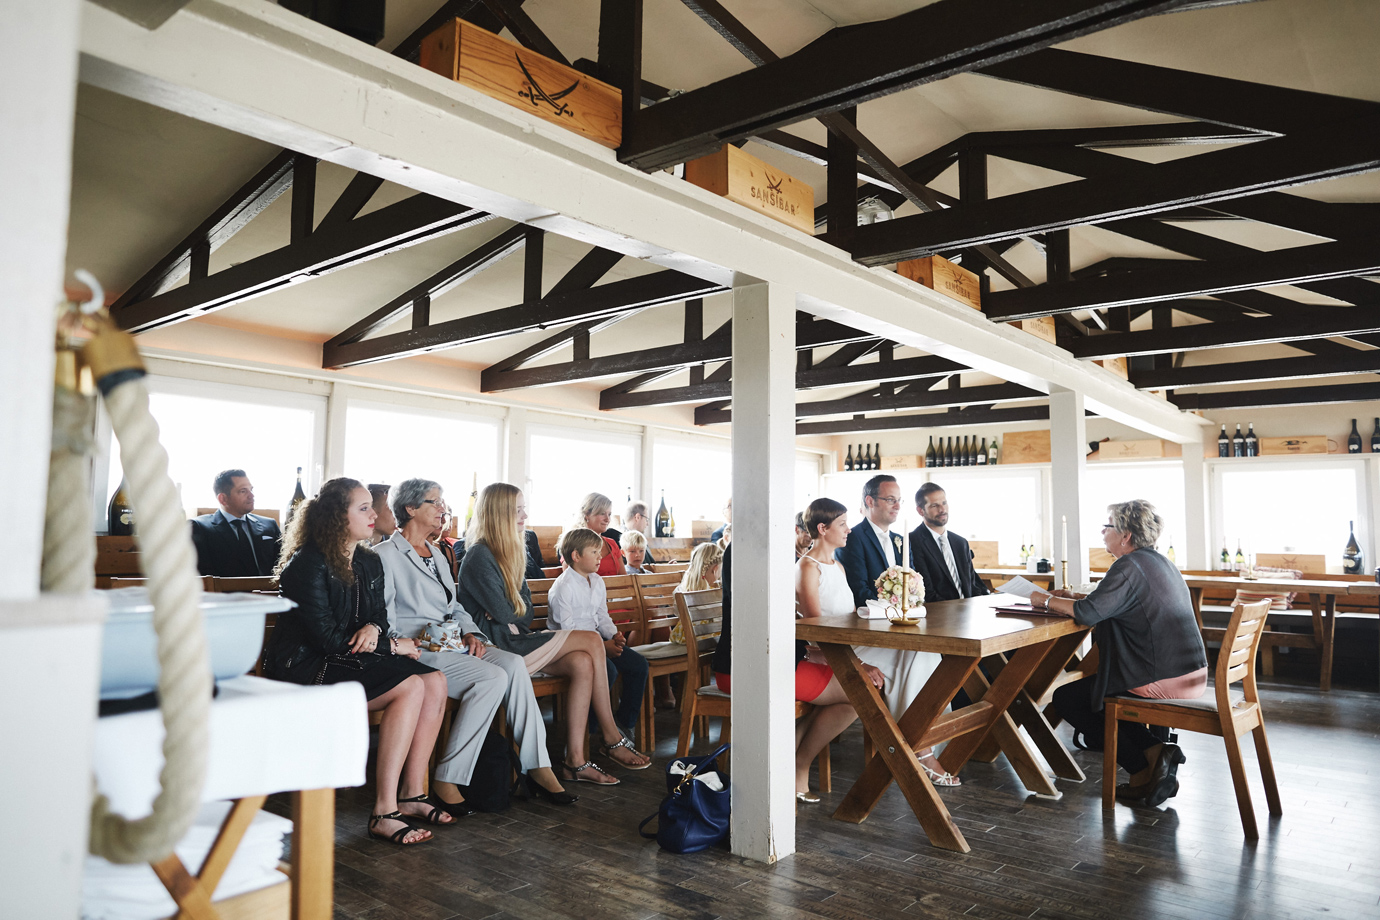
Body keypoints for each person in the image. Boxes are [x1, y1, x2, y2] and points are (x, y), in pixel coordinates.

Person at [262, 477, 452, 846]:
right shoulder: (307, 564)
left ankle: (412, 795)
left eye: (372, 506)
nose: (375, 514)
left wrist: (374, 628)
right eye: (363, 508)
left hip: (350, 659)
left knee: (435, 681)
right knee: (411, 686)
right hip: (308, 668)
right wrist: (392, 647)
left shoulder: (367, 559)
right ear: (337, 515)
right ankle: (384, 811)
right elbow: (327, 641)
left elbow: (380, 617)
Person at [377, 478, 576, 809]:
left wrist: (472, 634)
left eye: (443, 503)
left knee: (511, 665)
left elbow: (455, 607)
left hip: (451, 643)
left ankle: (537, 764)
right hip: (418, 651)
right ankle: (448, 776)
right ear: (410, 509)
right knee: (491, 677)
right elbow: (384, 618)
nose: (443, 510)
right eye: (435, 503)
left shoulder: (438, 554)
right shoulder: (385, 555)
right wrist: (421, 639)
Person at [458, 483, 651, 785]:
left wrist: (507, 607)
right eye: (518, 510)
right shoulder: (479, 556)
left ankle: (575, 761)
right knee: (588, 639)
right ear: (499, 514)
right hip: (498, 648)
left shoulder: (512, 552)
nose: (524, 515)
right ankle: (613, 737)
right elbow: (511, 613)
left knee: (583, 663)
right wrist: (508, 608)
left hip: (517, 639)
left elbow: (522, 614)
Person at [1031, 500, 1207, 809]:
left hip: (1161, 676)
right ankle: (1154, 756)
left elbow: (1088, 613)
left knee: (1071, 698)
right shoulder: (1156, 562)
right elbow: (1106, 602)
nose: (1102, 531)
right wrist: (1073, 597)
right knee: (1093, 691)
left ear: (1125, 536)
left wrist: (1043, 601)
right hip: (1189, 670)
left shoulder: (1127, 565)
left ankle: (1144, 765)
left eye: (1108, 526)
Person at [714, 538, 884, 803]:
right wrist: (809, 653)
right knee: (859, 692)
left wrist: (814, 653)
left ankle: (785, 759)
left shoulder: (766, 550)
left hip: (777, 661)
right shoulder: (745, 550)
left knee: (861, 688)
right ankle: (798, 765)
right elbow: (761, 628)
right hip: (745, 670)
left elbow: (786, 625)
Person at [800, 498, 955, 786]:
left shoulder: (837, 566)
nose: (849, 530)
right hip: (833, 651)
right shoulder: (808, 568)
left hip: (851, 642)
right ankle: (918, 747)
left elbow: (849, 616)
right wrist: (858, 663)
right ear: (822, 528)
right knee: (909, 658)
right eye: (843, 524)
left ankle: (920, 735)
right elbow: (815, 630)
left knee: (921, 651)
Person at [548, 528, 648, 743]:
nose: (600, 556)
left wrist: (615, 636)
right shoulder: (563, 587)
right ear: (576, 556)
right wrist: (604, 648)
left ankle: (623, 723)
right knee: (608, 671)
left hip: (596, 641)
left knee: (638, 665)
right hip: (570, 646)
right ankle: (589, 730)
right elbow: (568, 631)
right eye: (594, 552)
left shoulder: (597, 581)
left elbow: (602, 616)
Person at [190, 469, 282, 577]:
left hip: (269, 592)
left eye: (251, 489)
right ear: (223, 499)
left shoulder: (269, 525)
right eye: (243, 491)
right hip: (225, 592)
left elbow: (282, 566)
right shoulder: (199, 528)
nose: (251, 496)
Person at [909, 483, 989, 603]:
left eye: (944, 503)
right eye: (934, 505)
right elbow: (927, 593)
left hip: (968, 612)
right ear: (920, 511)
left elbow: (972, 586)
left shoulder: (960, 543)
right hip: (939, 615)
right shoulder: (913, 542)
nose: (942, 510)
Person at [836, 474, 904, 607]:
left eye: (899, 500)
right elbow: (858, 589)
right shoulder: (852, 538)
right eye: (891, 500)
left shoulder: (900, 540)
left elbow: (910, 582)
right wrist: (890, 611)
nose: (897, 506)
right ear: (870, 501)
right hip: (870, 620)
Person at [572, 492, 626, 577]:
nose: (607, 519)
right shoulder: (573, 544)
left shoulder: (612, 543)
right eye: (602, 513)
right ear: (587, 514)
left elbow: (624, 580)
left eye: (609, 514)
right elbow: (572, 583)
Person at [622, 500, 659, 565]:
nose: (647, 524)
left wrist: (666, 568)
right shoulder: (625, 540)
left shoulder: (640, 538)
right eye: (646, 519)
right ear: (638, 517)